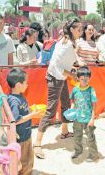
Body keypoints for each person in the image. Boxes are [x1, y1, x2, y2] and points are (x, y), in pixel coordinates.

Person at [33, 18, 82, 159]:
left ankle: (65, 131)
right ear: (71, 30)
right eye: (78, 29)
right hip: (55, 77)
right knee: (51, 110)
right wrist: (72, 75)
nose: (81, 31)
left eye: (81, 29)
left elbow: (63, 63)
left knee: (66, 105)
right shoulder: (67, 44)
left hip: (61, 77)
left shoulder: (69, 41)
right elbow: (56, 65)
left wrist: (71, 70)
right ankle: (37, 143)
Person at [7, 68, 40, 175]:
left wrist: (31, 109)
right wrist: (32, 115)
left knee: (29, 158)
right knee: (24, 162)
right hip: (21, 139)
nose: (27, 84)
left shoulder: (20, 96)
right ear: (18, 85)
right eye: (26, 82)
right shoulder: (13, 100)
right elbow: (15, 121)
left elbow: (24, 109)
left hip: (27, 135)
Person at [69, 66, 99, 161]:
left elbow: (94, 105)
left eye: (87, 79)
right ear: (77, 78)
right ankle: (78, 151)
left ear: (89, 78)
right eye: (82, 79)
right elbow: (73, 101)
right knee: (77, 136)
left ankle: (94, 155)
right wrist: (71, 111)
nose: (84, 81)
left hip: (88, 119)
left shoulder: (91, 90)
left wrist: (92, 118)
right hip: (77, 118)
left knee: (90, 137)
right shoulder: (75, 89)